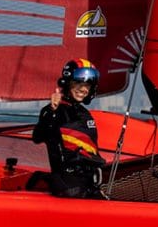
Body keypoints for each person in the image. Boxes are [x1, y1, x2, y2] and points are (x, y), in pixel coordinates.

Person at [32, 59, 106, 199]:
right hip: (68, 185)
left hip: (88, 183)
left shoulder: (84, 113)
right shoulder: (55, 110)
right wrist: (52, 109)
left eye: (87, 85)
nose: (83, 89)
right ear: (67, 83)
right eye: (78, 83)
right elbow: (38, 136)